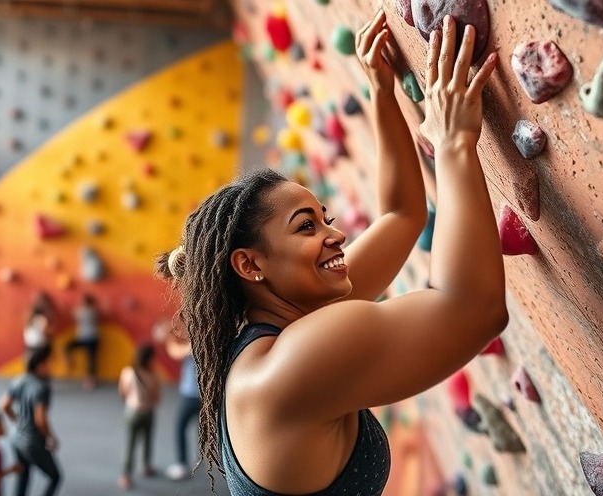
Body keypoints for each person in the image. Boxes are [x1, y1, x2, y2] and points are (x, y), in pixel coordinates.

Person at [154, 11, 506, 495]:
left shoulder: (285, 324)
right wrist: (452, 144)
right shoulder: (294, 361)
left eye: (326, 219)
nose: (335, 236)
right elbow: (475, 311)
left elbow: (402, 217)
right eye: (306, 227)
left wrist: (382, 93)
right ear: (251, 265)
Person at [1, 346, 61, 496]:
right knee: (55, 477)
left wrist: (17, 420)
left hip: (16, 438)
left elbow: (4, 405)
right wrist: (50, 437)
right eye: (49, 363)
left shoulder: (18, 380)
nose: (52, 367)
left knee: (23, 474)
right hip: (32, 442)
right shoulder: (42, 387)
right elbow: (40, 420)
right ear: (41, 365)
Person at [117, 343, 161, 490]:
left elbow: (122, 392)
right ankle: (145, 466)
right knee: (148, 440)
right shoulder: (153, 376)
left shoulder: (128, 372)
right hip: (148, 412)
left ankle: (125, 475)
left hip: (132, 412)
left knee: (130, 444)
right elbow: (156, 398)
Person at [161, 322, 201, 481]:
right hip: (206, 396)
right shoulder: (211, 344)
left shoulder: (194, 347)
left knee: (180, 427)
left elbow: (175, 352)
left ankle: (182, 465)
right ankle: (203, 457)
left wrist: (167, 337)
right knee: (203, 427)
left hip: (192, 395)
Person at [64, 294, 100, 390]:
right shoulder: (84, 311)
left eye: (84, 301)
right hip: (82, 338)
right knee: (68, 347)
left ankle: (91, 380)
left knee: (91, 360)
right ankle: (70, 362)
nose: (82, 303)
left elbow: (76, 315)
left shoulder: (91, 311)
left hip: (92, 338)